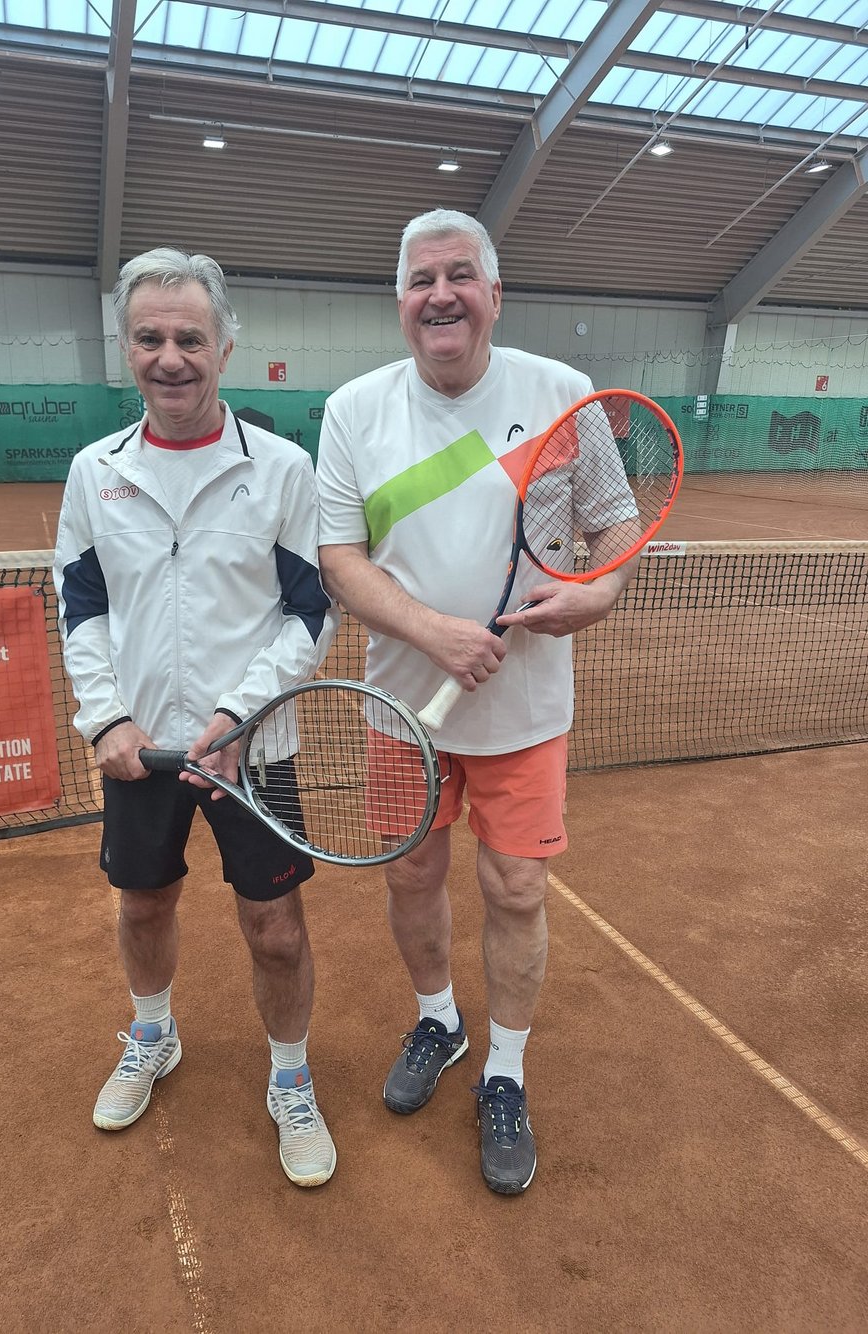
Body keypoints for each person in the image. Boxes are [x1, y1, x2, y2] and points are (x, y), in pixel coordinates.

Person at [315, 209, 639, 1195]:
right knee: (412, 875)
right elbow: (339, 559)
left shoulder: (564, 394)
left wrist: (593, 596)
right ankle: (438, 1019)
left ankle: (505, 1067)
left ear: (494, 294)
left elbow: (613, 530)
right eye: (422, 279)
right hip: (399, 709)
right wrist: (433, 632)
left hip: (523, 712)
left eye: (461, 275)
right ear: (400, 302)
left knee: (516, 890)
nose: (441, 294)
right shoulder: (353, 409)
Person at [53, 247, 340, 1188]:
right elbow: (81, 606)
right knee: (143, 904)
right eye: (149, 338)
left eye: (189, 338)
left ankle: (291, 1080)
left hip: (252, 750)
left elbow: (310, 612)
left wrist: (237, 715)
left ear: (224, 348)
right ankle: (153, 1034)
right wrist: (107, 721)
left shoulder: (283, 469)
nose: (169, 357)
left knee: (277, 929)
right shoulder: (94, 472)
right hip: (140, 750)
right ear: (125, 348)